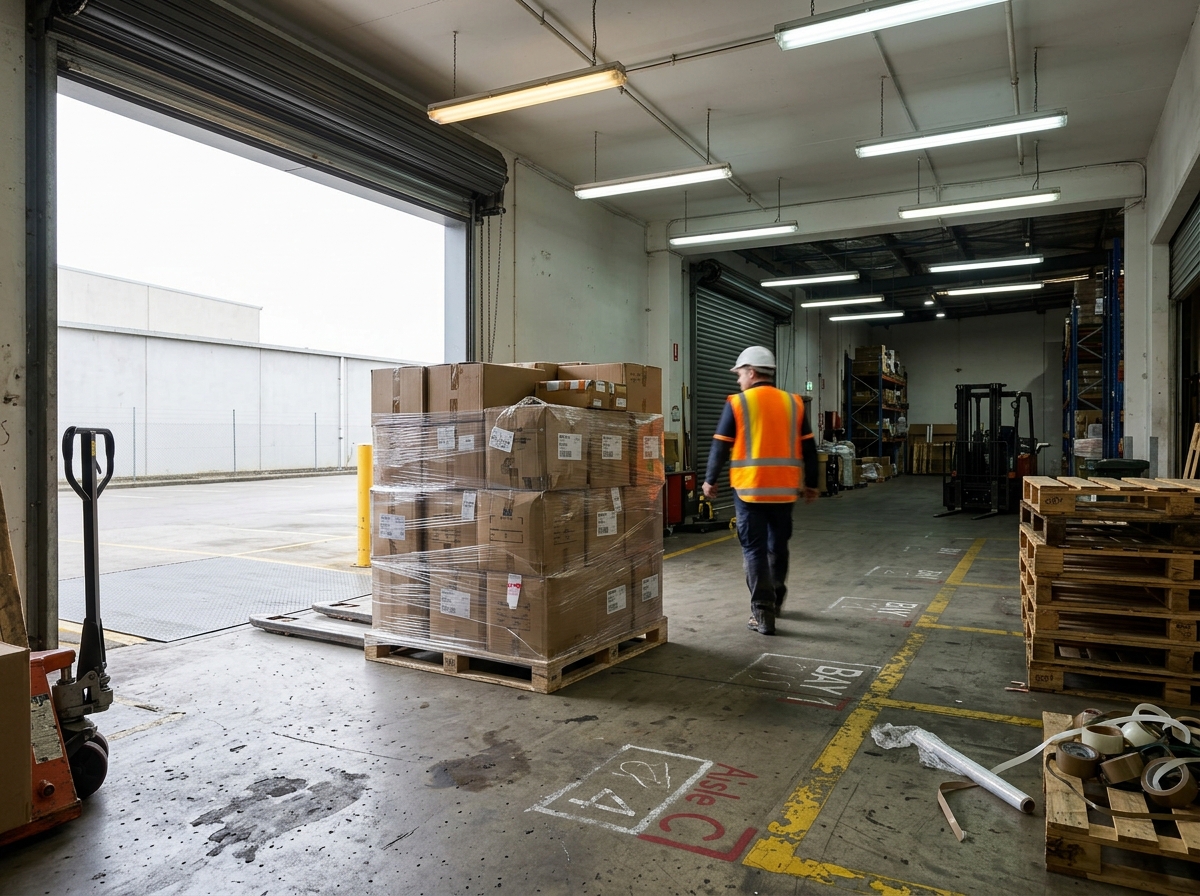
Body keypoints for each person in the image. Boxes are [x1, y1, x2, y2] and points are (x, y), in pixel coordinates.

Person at [701, 346, 819, 635]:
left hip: (749, 489)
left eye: (740, 374)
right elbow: (809, 449)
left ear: (752, 372)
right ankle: (776, 599)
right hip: (785, 490)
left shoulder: (738, 403)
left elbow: (720, 445)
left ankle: (763, 613)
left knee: (753, 549)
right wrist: (813, 484)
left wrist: (710, 479)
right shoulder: (794, 403)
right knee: (777, 545)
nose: (738, 380)